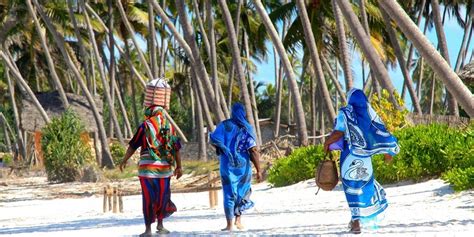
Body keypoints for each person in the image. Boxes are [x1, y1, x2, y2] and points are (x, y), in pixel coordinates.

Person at [324, 88, 399, 234]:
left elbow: (339, 132)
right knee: (365, 185)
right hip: (365, 158)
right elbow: (380, 132)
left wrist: (326, 143)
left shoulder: (345, 113)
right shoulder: (370, 115)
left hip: (349, 156)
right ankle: (358, 218)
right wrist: (387, 153)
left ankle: (356, 221)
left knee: (351, 188)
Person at [120, 105, 183, 236]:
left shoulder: (145, 126)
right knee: (162, 196)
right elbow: (176, 148)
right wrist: (179, 166)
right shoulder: (170, 128)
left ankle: (148, 230)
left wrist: (124, 159)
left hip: (147, 170)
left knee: (148, 198)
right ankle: (160, 225)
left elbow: (133, 145)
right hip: (164, 170)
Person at [210, 103, 263, 231]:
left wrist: (222, 149)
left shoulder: (224, 125)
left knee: (228, 193)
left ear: (232, 112)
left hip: (227, 166)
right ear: (243, 112)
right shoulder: (246, 128)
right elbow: (253, 150)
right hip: (243, 168)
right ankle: (238, 221)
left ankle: (229, 224)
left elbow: (213, 140)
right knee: (241, 192)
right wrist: (259, 170)